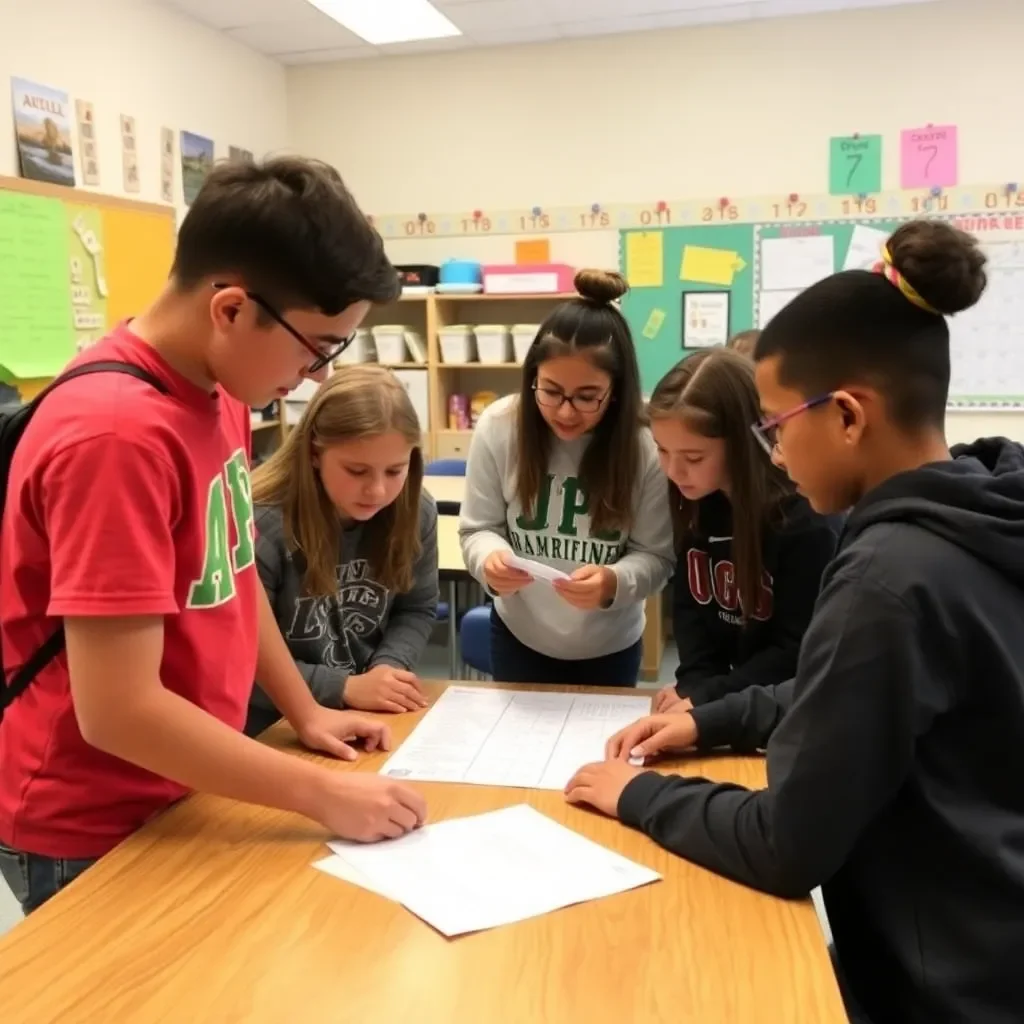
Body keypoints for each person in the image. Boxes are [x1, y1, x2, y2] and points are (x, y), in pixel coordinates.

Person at [564, 220, 1024, 1024]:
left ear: (847, 415)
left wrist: (638, 796)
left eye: (776, 427)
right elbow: (845, 693)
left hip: (946, 982)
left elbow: (788, 843)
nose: (774, 454)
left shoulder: (891, 576)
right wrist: (711, 719)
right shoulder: (983, 510)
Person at [0, 157, 427, 916]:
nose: (316, 375)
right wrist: (318, 794)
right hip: (94, 820)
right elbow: (119, 710)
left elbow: (232, 581)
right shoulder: (116, 434)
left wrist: (304, 710)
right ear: (230, 309)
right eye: (318, 347)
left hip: (190, 783)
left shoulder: (217, 391)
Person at [459, 269, 673, 686]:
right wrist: (489, 559)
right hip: (519, 637)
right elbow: (477, 528)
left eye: (587, 397)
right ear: (532, 377)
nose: (565, 412)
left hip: (609, 648)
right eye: (551, 391)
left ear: (617, 389)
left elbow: (658, 556)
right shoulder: (500, 426)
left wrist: (615, 581)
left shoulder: (645, 444)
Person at [245, 365, 438, 737]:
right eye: (357, 471)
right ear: (315, 453)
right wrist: (343, 687)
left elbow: (416, 607)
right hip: (270, 725)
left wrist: (388, 670)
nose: (378, 491)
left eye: (395, 470)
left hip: (365, 714)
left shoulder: (416, 509)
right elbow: (239, 659)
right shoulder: (262, 522)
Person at [648, 349, 839, 712]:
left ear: (742, 445)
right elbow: (692, 613)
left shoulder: (806, 519)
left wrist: (709, 699)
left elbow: (795, 651)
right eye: (661, 450)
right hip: (735, 701)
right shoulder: (698, 498)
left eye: (693, 458)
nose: (673, 470)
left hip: (790, 706)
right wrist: (695, 688)